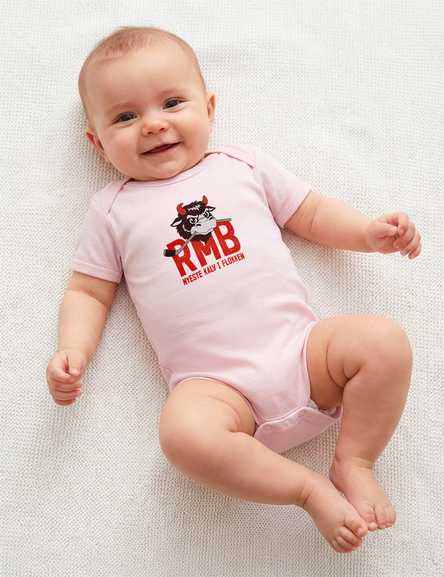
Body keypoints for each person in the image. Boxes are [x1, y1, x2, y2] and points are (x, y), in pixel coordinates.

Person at [46, 26, 421, 553]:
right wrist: (72, 349)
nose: (153, 124)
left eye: (171, 103)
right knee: (182, 436)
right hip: (218, 391)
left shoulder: (242, 165)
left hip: (302, 353)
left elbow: (312, 213)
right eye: (125, 117)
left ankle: (354, 460)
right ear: (98, 144)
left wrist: (367, 234)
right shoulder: (112, 210)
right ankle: (307, 489)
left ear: (209, 107)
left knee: (384, 342)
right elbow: (88, 291)